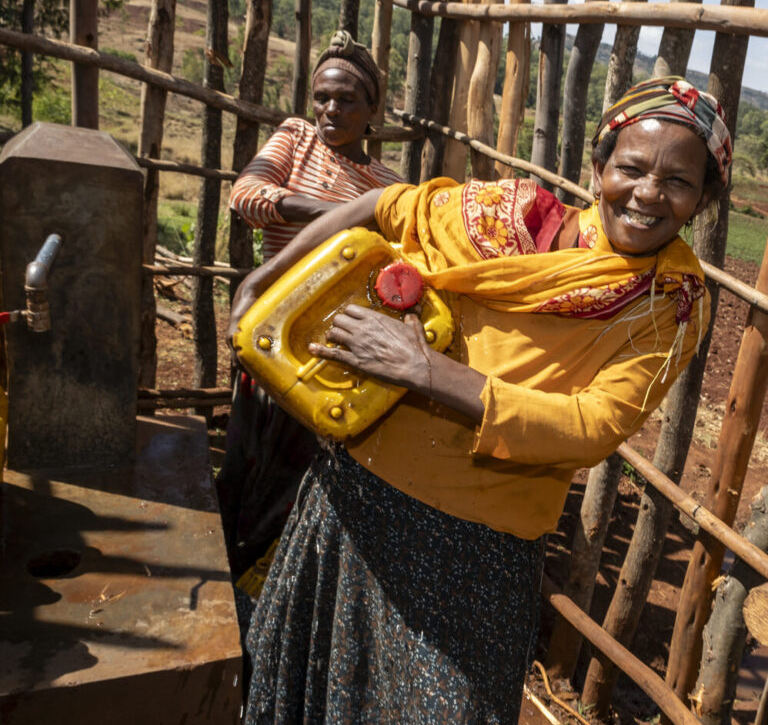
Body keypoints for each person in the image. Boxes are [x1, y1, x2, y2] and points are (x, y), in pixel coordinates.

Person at [229, 77, 732, 723]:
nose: (648, 194)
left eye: (679, 183)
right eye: (631, 168)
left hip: (475, 559)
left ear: (704, 200)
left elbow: (592, 425)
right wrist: (263, 277)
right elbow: (386, 203)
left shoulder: (667, 302)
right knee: (317, 699)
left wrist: (423, 370)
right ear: (600, 165)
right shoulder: (512, 217)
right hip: (355, 503)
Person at [217, 31, 402, 583]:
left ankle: (271, 585)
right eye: (321, 96)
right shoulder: (296, 138)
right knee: (247, 456)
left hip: (338, 344)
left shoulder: (388, 183)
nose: (329, 109)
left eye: (345, 100)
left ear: (372, 110)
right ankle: (230, 565)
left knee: (306, 471)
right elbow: (246, 196)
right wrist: (339, 215)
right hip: (272, 327)